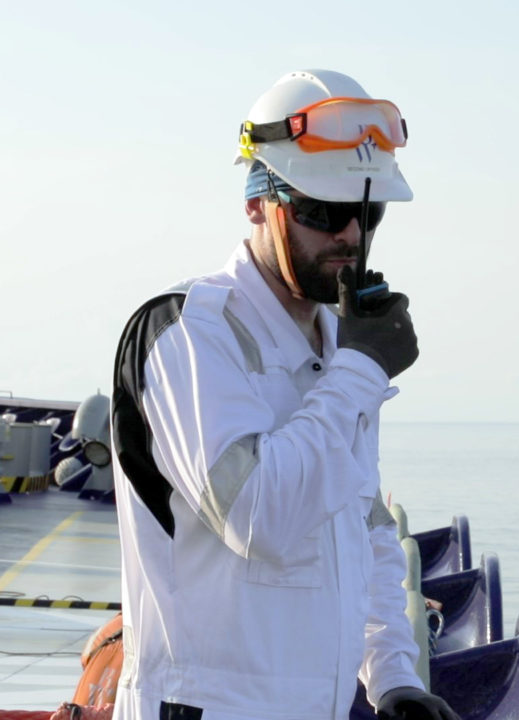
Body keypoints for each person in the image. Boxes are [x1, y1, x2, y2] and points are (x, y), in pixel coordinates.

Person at [110, 70, 458, 720]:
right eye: (323, 211)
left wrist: (391, 678)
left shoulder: (339, 346)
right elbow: (257, 518)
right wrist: (362, 368)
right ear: (256, 204)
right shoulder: (187, 333)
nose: (350, 235)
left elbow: (365, 527)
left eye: (367, 212)